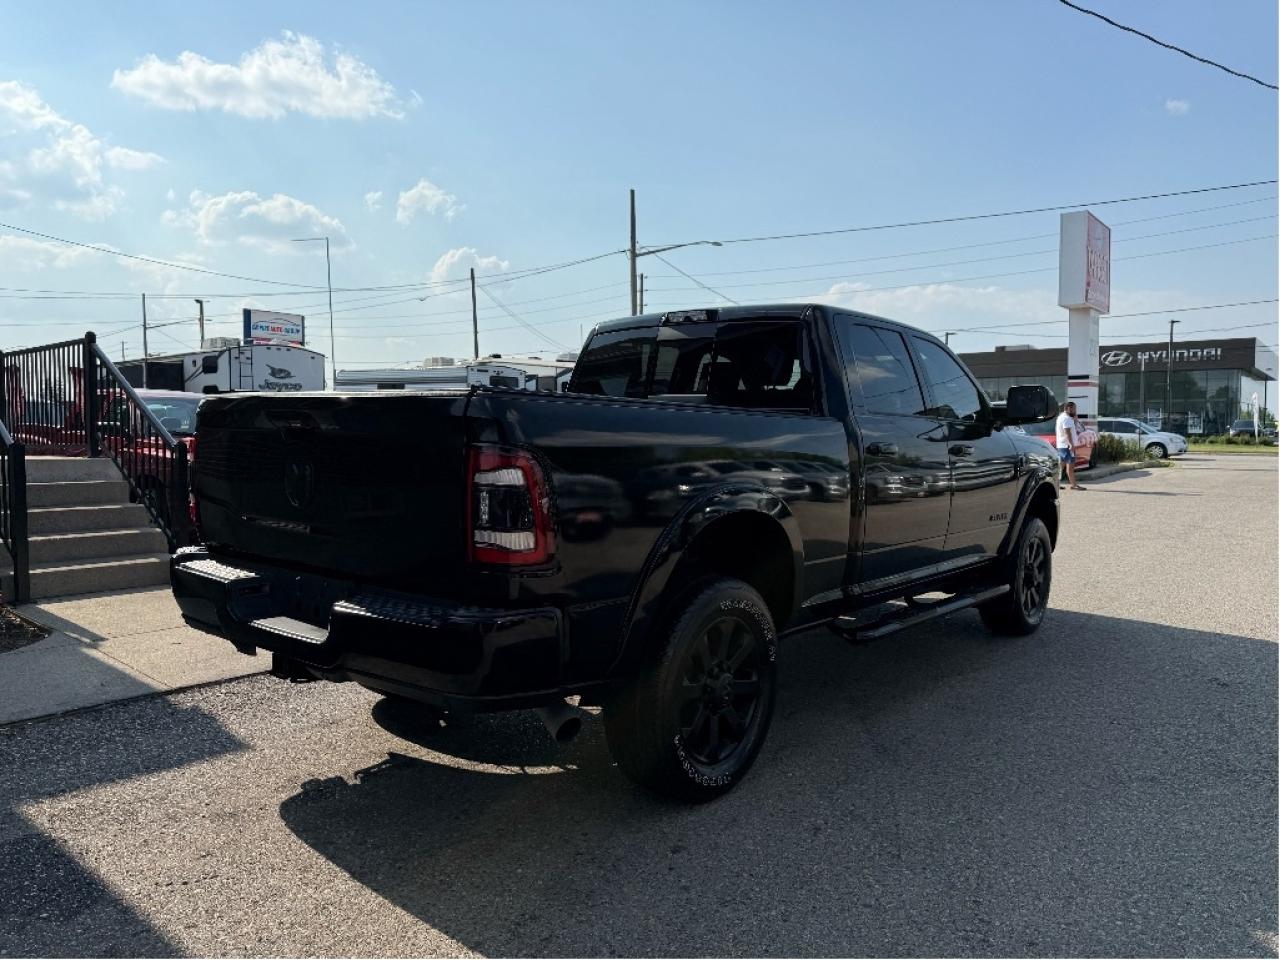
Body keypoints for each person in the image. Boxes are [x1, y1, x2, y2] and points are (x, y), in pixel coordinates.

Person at [1055, 401, 1086, 491]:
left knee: (1061, 466)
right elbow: (1067, 432)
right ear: (1069, 408)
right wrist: (1071, 444)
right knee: (1070, 466)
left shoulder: (1062, 417)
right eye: (1074, 409)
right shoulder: (1066, 419)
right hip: (1067, 446)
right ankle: (1074, 485)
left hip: (1061, 445)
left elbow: (1071, 430)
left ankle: (1057, 484)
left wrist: (1075, 420)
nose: (1076, 411)